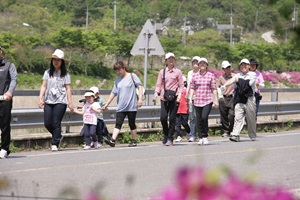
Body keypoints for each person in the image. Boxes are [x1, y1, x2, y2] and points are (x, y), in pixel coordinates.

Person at [38, 49, 74, 151]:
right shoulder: (47, 72)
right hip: (48, 100)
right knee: (47, 123)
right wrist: (40, 98)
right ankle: (58, 135)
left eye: (58, 60)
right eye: (54, 60)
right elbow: (44, 86)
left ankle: (55, 143)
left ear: (62, 62)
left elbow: (68, 89)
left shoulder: (65, 74)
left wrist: (70, 102)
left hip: (61, 101)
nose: (56, 62)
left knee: (56, 123)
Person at [102, 61, 144, 147]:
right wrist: (107, 104)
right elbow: (113, 92)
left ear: (123, 68)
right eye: (116, 71)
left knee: (131, 123)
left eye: (119, 70)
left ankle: (134, 140)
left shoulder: (132, 76)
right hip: (121, 106)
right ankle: (113, 140)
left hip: (131, 105)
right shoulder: (117, 80)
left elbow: (140, 86)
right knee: (118, 123)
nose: (118, 72)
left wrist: (140, 99)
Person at [221, 58, 257, 142]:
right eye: (242, 65)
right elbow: (232, 80)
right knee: (238, 117)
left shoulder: (252, 75)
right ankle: (235, 134)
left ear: (249, 66)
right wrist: (224, 85)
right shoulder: (238, 75)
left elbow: (248, 84)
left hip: (249, 99)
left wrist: (238, 81)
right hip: (239, 99)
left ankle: (252, 135)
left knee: (250, 119)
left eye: (245, 65)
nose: (243, 66)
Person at [153, 52, 184, 146]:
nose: (171, 60)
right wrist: (155, 94)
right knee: (163, 118)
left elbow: (181, 85)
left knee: (172, 118)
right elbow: (159, 85)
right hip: (164, 97)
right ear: (166, 61)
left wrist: (179, 95)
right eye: (169, 59)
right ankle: (166, 134)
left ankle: (170, 138)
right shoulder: (162, 72)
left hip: (174, 97)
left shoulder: (178, 72)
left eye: (172, 58)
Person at [189, 57, 218, 145]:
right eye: (200, 63)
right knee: (198, 119)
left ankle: (205, 136)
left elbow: (214, 88)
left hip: (207, 100)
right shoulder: (195, 76)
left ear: (206, 65)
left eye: (204, 63)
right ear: (198, 65)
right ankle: (200, 136)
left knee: (204, 117)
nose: (202, 65)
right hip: (197, 100)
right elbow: (192, 88)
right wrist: (190, 98)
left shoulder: (210, 75)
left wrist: (216, 100)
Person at [0, 46, 18, 159]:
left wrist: (9, 92)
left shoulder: (9, 65)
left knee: (4, 124)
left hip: (4, 99)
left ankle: (4, 148)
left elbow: (14, 79)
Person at [217, 61, 235, 137]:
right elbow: (218, 88)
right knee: (224, 116)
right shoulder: (221, 78)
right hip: (224, 98)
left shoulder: (235, 76)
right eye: (226, 68)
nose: (228, 69)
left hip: (232, 97)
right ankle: (226, 131)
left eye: (229, 67)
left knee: (232, 115)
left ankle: (231, 130)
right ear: (223, 69)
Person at [186, 56, 201, 142]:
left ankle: (200, 134)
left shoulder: (202, 73)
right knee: (192, 117)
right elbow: (188, 85)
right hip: (190, 97)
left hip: (199, 97)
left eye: (197, 62)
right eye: (194, 62)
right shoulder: (189, 73)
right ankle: (192, 134)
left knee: (198, 116)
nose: (195, 63)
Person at [175, 76, 190, 142]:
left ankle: (189, 132)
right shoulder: (176, 90)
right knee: (177, 123)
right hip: (177, 109)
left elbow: (188, 99)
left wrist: (189, 108)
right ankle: (179, 135)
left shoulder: (186, 90)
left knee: (184, 123)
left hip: (184, 109)